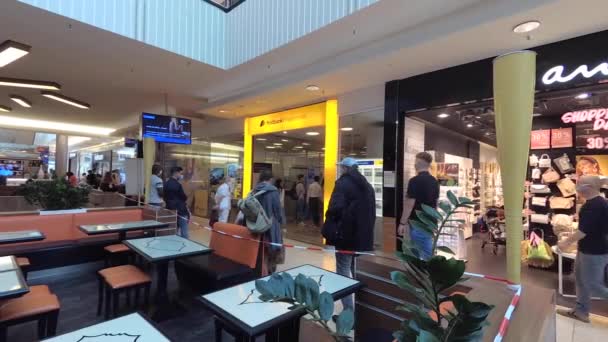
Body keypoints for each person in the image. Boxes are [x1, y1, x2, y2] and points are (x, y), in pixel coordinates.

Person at [323, 157, 375, 312]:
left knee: (343, 270)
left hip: (345, 235)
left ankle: (348, 313)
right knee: (356, 269)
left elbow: (335, 208)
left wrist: (330, 223)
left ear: (345, 168)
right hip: (362, 236)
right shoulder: (367, 185)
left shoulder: (343, 183)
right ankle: (362, 310)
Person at [557, 175, 608, 323]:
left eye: (580, 184)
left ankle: (581, 310)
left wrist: (565, 242)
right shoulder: (595, 203)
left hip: (595, 252)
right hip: (587, 249)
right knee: (580, 280)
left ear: (589, 187)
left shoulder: (595, 206)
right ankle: (581, 311)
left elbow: (582, 231)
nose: (577, 187)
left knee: (593, 284)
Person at [398, 152, 439, 260]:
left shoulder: (414, 181)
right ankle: (420, 273)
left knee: (423, 251)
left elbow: (409, 204)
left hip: (417, 222)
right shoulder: (434, 181)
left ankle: (427, 274)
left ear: (417, 163)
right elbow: (436, 203)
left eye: (415, 161)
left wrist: (402, 223)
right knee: (422, 248)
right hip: (430, 220)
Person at [252, 170, 284, 274]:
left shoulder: (255, 189)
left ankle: (259, 268)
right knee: (272, 247)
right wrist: (282, 221)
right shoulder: (273, 191)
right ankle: (269, 270)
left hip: (257, 224)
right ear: (270, 179)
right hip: (271, 224)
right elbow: (278, 209)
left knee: (260, 246)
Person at [164, 166, 190, 238]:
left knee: (173, 229)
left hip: (170, 210)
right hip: (180, 210)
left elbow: (164, 196)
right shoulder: (178, 185)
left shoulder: (166, 184)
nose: (181, 175)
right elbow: (183, 197)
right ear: (176, 173)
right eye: (180, 173)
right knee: (184, 229)